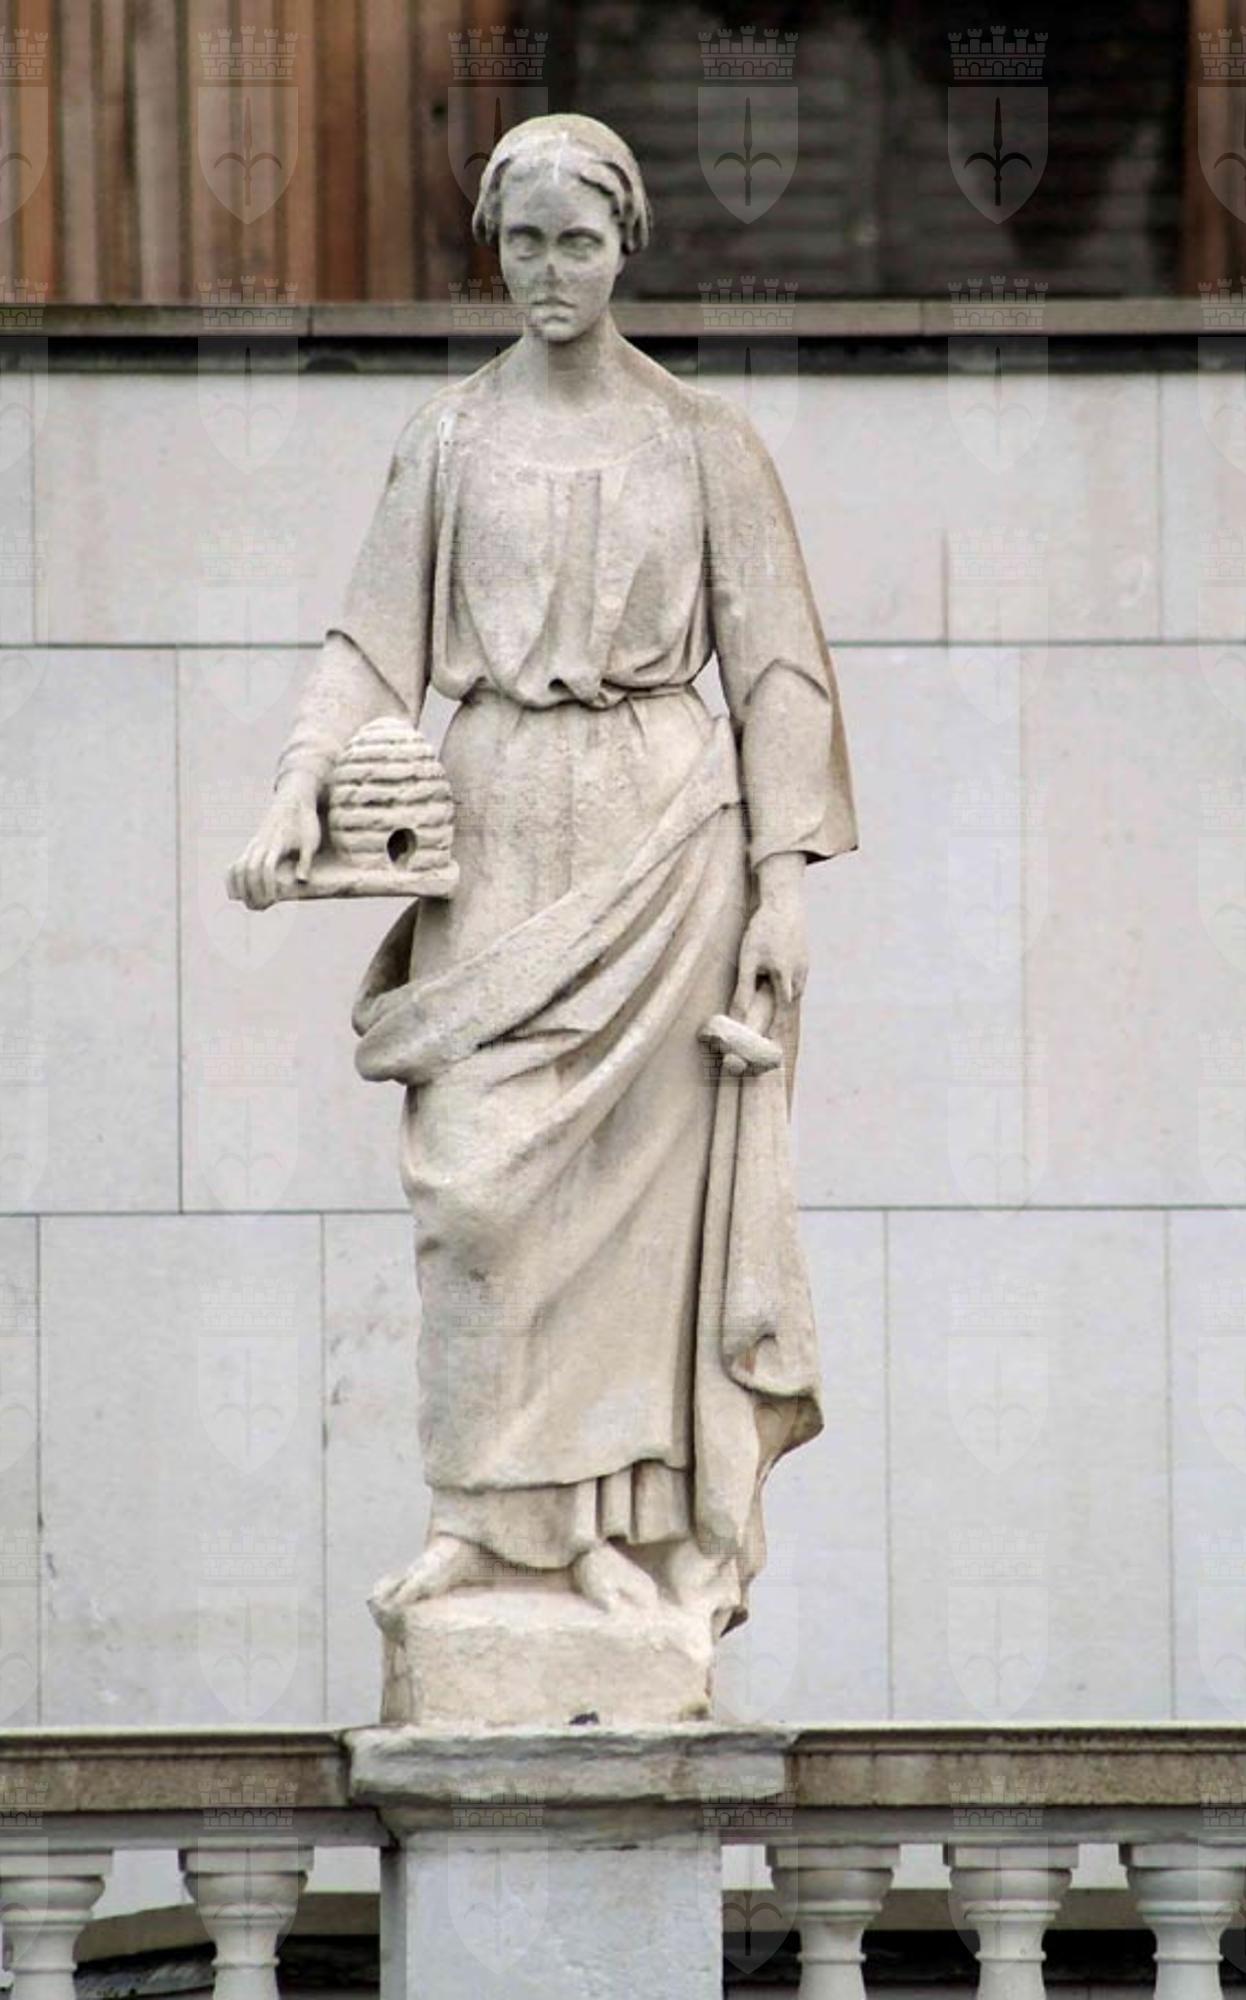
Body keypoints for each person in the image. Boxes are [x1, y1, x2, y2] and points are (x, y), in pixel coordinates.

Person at [228, 113, 857, 1642]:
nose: (550, 271)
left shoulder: (702, 441)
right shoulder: (448, 437)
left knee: (630, 1219)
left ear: (623, 245)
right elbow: (372, 639)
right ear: (493, 250)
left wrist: (782, 885)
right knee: (475, 1189)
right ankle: (476, 1514)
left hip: (664, 836)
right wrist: (301, 777)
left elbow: (777, 670)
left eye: (577, 242)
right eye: (523, 243)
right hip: (498, 817)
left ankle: (598, 1529)